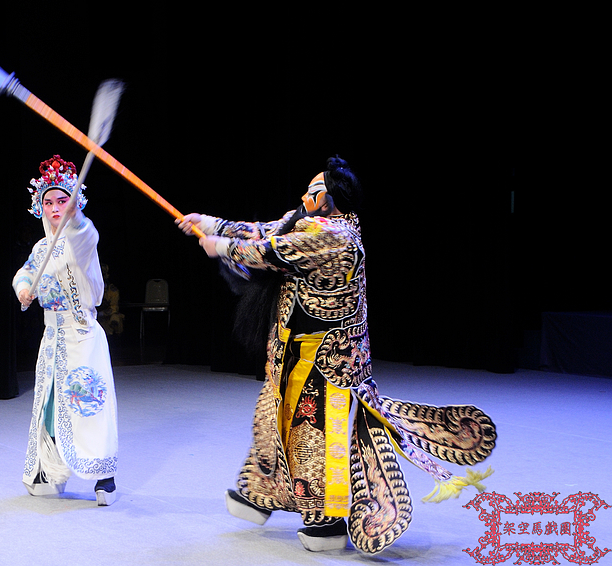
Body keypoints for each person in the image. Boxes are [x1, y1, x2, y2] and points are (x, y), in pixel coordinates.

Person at [177, 156, 497, 554]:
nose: (304, 195)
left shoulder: (336, 235)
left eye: (313, 190)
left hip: (324, 362)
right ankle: (261, 494)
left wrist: (222, 247)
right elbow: (263, 231)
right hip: (291, 353)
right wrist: (209, 223)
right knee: (269, 421)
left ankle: (326, 523)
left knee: (312, 440)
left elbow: (271, 251)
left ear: (330, 199)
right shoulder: (307, 222)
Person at [13, 155, 118, 506]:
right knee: (49, 406)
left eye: (63, 201)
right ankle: (50, 470)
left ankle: (105, 477)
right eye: (49, 202)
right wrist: (24, 289)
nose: (56, 207)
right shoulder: (42, 247)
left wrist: (78, 220)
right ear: (40, 207)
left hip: (82, 336)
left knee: (88, 405)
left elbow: (87, 238)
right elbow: (25, 272)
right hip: (52, 340)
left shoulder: (80, 238)